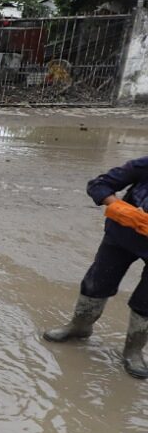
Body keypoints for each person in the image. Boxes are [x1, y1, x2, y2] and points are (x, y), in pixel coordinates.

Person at [44, 156, 148, 379]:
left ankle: (133, 350)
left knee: (146, 301)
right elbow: (99, 184)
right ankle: (79, 326)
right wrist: (118, 207)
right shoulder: (145, 165)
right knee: (97, 282)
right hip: (123, 235)